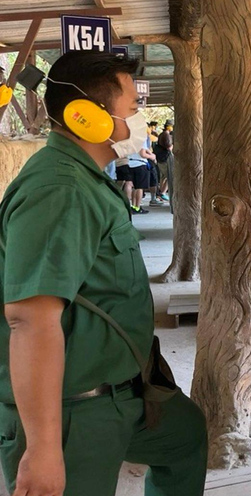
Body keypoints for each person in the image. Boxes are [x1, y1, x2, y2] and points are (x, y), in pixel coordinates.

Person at [0, 50, 207, 496]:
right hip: (75, 411)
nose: (139, 116)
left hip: (122, 392)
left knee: (185, 439)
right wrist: (43, 447)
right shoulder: (60, 190)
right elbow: (30, 319)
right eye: (133, 106)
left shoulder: (84, 178)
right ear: (86, 118)